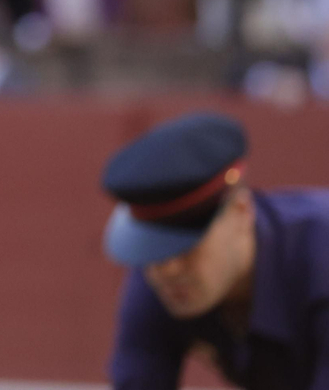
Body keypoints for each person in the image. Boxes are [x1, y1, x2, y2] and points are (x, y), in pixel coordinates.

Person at [103, 111, 329, 390]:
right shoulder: (161, 276)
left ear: (241, 212)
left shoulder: (320, 257)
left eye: (186, 246)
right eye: (153, 251)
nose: (167, 268)